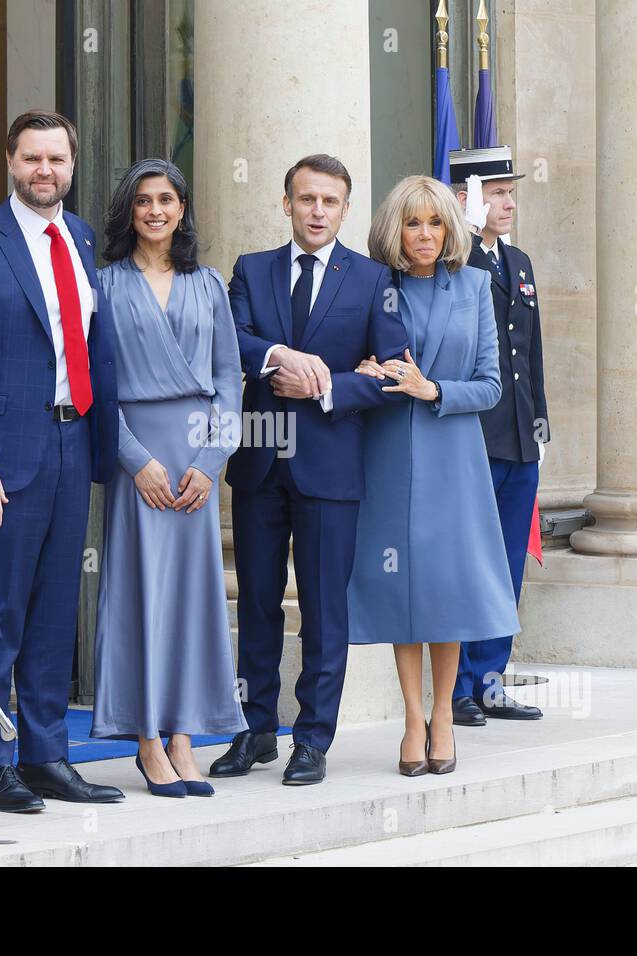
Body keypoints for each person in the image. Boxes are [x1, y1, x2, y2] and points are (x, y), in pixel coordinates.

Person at [0, 109, 122, 811]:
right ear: (10, 162)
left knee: (52, 614)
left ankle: (48, 757)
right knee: (0, 614)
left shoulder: (80, 238)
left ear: (73, 166)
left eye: (58, 160)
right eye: (33, 159)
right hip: (5, 459)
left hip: (75, 442)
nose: (46, 171)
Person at [209, 154, 408, 786]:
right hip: (261, 464)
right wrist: (278, 356)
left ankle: (313, 738)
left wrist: (327, 387)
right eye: (305, 200)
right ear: (287, 203)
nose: (316, 211)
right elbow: (227, 339)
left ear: (346, 209)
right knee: (259, 605)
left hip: (330, 468)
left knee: (323, 610)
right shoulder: (252, 270)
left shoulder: (373, 280)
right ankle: (255, 729)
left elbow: (399, 374)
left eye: (329, 201)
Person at [348, 175, 518, 775]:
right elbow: (354, 361)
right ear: (396, 229)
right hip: (389, 450)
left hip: (453, 452)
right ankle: (411, 718)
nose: (424, 234)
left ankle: (444, 714)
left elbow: (493, 386)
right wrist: (366, 371)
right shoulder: (375, 284)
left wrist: (432, 388)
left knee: (446, 587)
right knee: (404, 587)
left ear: (450, 228)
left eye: (435, 222)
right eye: (413, 222)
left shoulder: (474, 286)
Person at [90, 158, 247, 798]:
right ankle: (147, 739)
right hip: (139, 461)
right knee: (138, 594)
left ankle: (184, 735)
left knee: (190, 599)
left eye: (167, 200)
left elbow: (231, 378)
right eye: (144, 201)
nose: (156, 210)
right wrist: (135, 461)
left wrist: (210, 463)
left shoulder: (209, 285)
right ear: (130, 212)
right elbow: (95, 388)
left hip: (196, 464)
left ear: (182, 210)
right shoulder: (102, 285)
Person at [451, 145, 549, 724]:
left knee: (508, 561)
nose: (507, 203)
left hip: (517, 437)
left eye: (510, 192)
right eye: (496, 193)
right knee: (470, 559)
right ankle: (458, 683)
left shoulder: (519, 262)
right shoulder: (456, 262)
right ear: (467, 199)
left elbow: (530, 355)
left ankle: (490, 678)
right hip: (474, 436)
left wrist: (542, 426)